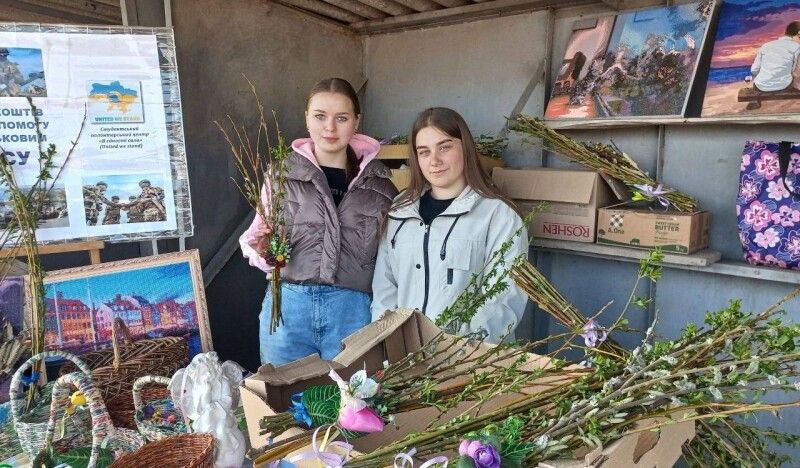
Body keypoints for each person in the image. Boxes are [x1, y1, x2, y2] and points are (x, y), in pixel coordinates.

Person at [240, 78, 398, 365]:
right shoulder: (281, 176)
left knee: (350, 393)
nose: (330, 128)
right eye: (320, 116)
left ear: (356, 121)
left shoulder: (381, 187)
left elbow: (390, 260)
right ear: (307, 118)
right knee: (283, 392)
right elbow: (255, 241)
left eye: (342, 118)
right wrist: (262, 249)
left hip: (353, 313)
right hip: (288, 311)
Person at [371, 108, 528, 343]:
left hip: (468, 357)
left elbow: (504, 298)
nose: (434, 161)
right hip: (405, 355)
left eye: (444, 147)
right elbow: (385, 286)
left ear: (465, 148)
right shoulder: (400, 211)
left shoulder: (498, 216)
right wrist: (388, 343)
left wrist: (457, 349)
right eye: (424, 152)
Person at [750, 21, 800, 93]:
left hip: (760, 86)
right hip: (783, 86)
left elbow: (754, 70)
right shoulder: (797, 47)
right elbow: (795, 73)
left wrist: (768, 76)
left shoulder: (766, 45)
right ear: (799, 33)